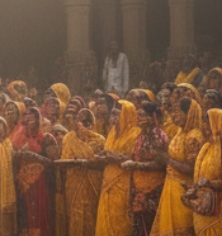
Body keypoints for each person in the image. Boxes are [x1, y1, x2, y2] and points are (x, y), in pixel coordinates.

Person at [152, 98, 203, 236]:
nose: (173, 116)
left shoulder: (194, 136)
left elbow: (192, 169)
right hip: (171, 188)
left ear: (189, 114)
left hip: (183, 189)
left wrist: (167, 159)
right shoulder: (180, 132)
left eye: (178, 112)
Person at [95, 100, 139, 236]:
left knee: (120, 223)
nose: (113, 117)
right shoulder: (112, 132)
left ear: (127, 115)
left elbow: (136, 159)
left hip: (124, 184)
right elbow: (109, 152)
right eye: (112, 114)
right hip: (108, 182)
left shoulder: (136, 133)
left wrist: (114, 157)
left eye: (117, 114)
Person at [186, 108, 222, 236]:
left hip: (218, 211)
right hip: (203, 210)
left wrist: (209, 183)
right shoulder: (206, 147)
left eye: (208, 123)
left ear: (218, 124)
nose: (204, 127)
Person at [10, 107, 55, 236]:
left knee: (39, 213)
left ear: (38, 120)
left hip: (39, 182)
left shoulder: (46, 138)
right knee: (25, 216)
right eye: (26, 119)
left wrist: (34, 156)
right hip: (22, 183)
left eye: (33, 118)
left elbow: (52, 163)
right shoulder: (17, 140)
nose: (29, 122)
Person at [127, 102, 170, 236]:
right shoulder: (141, 136)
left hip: (153, 188)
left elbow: (161, 164)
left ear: (153, 117)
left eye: (143, 116)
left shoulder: (157, 135)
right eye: (139, 116)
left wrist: (136, 165)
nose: (140, 119)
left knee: (150, 225)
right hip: (139, 188)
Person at [59, 108, 103, 236]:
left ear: (92, 124)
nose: (83, 125)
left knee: (91, 216)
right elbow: (64, 159)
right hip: (74, 183)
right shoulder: (69, 138)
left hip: (93, 185)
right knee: (74, 216)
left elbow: (99, 163)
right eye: (80, 121)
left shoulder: (100, 140)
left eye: (87, 122)